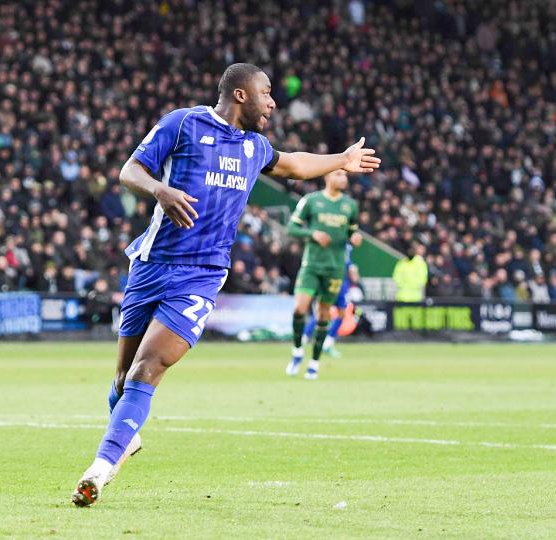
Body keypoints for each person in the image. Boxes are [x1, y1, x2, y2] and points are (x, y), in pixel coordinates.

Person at [71, 63, 380, 507]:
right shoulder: (184, 123)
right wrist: (160, 190)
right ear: (240, 94)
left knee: (148, 369)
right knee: (121, 381)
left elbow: (294, 164)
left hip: (201, 275)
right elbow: (130, 171)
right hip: (150, 264)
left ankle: (98, 471)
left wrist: (342, 159)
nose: (272, 102)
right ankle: (127, 436)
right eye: (266, 92)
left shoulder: (256, 147)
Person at [285, 169, 361, 379]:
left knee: (324, 314)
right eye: (338, 175)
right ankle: (297, 351)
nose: (343, 179)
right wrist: (313, 234)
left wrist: (354, 237)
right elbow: (291, 228)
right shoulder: (311, 201)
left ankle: (314, 363)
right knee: (300, 309)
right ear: (327, 177)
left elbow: (353, 231)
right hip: (312, 265)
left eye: (344, 176)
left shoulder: (350, 205)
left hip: (335, 268)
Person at [299, 255, 360, 359]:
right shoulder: (333, 246)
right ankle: (304, 338)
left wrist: (352, 271)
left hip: (341, 284)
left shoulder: (346, 247)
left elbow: (349, 264)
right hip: (328, 282)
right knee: (321, 311)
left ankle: (327, 343)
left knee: (342, 312)